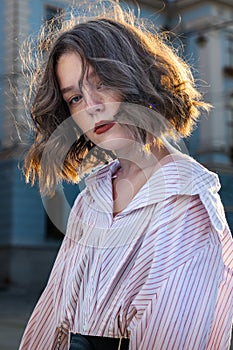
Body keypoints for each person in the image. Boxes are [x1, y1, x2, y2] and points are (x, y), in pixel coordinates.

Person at [19, 1, 233, 349]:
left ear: (134, 77)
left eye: (100, 82)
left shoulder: (187, 202)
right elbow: (52, 314)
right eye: (74, 98)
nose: (90, 106)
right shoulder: (92, 198)